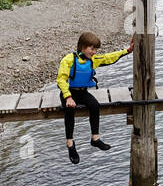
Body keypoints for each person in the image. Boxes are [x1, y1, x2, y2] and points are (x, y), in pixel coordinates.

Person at [57, 31, 134, 163]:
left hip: (82, 92)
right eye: (91, 48)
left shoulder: (93, 60)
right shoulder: (69, 59)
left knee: (95, 105)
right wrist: (68, 97)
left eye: (96, 49)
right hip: (68, 92)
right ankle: (70, 143)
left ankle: (95, 139)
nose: (94, 52)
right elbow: (61, 80)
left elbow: (109, 57)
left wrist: (128, 50)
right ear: (82, 46)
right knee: (69, 110)